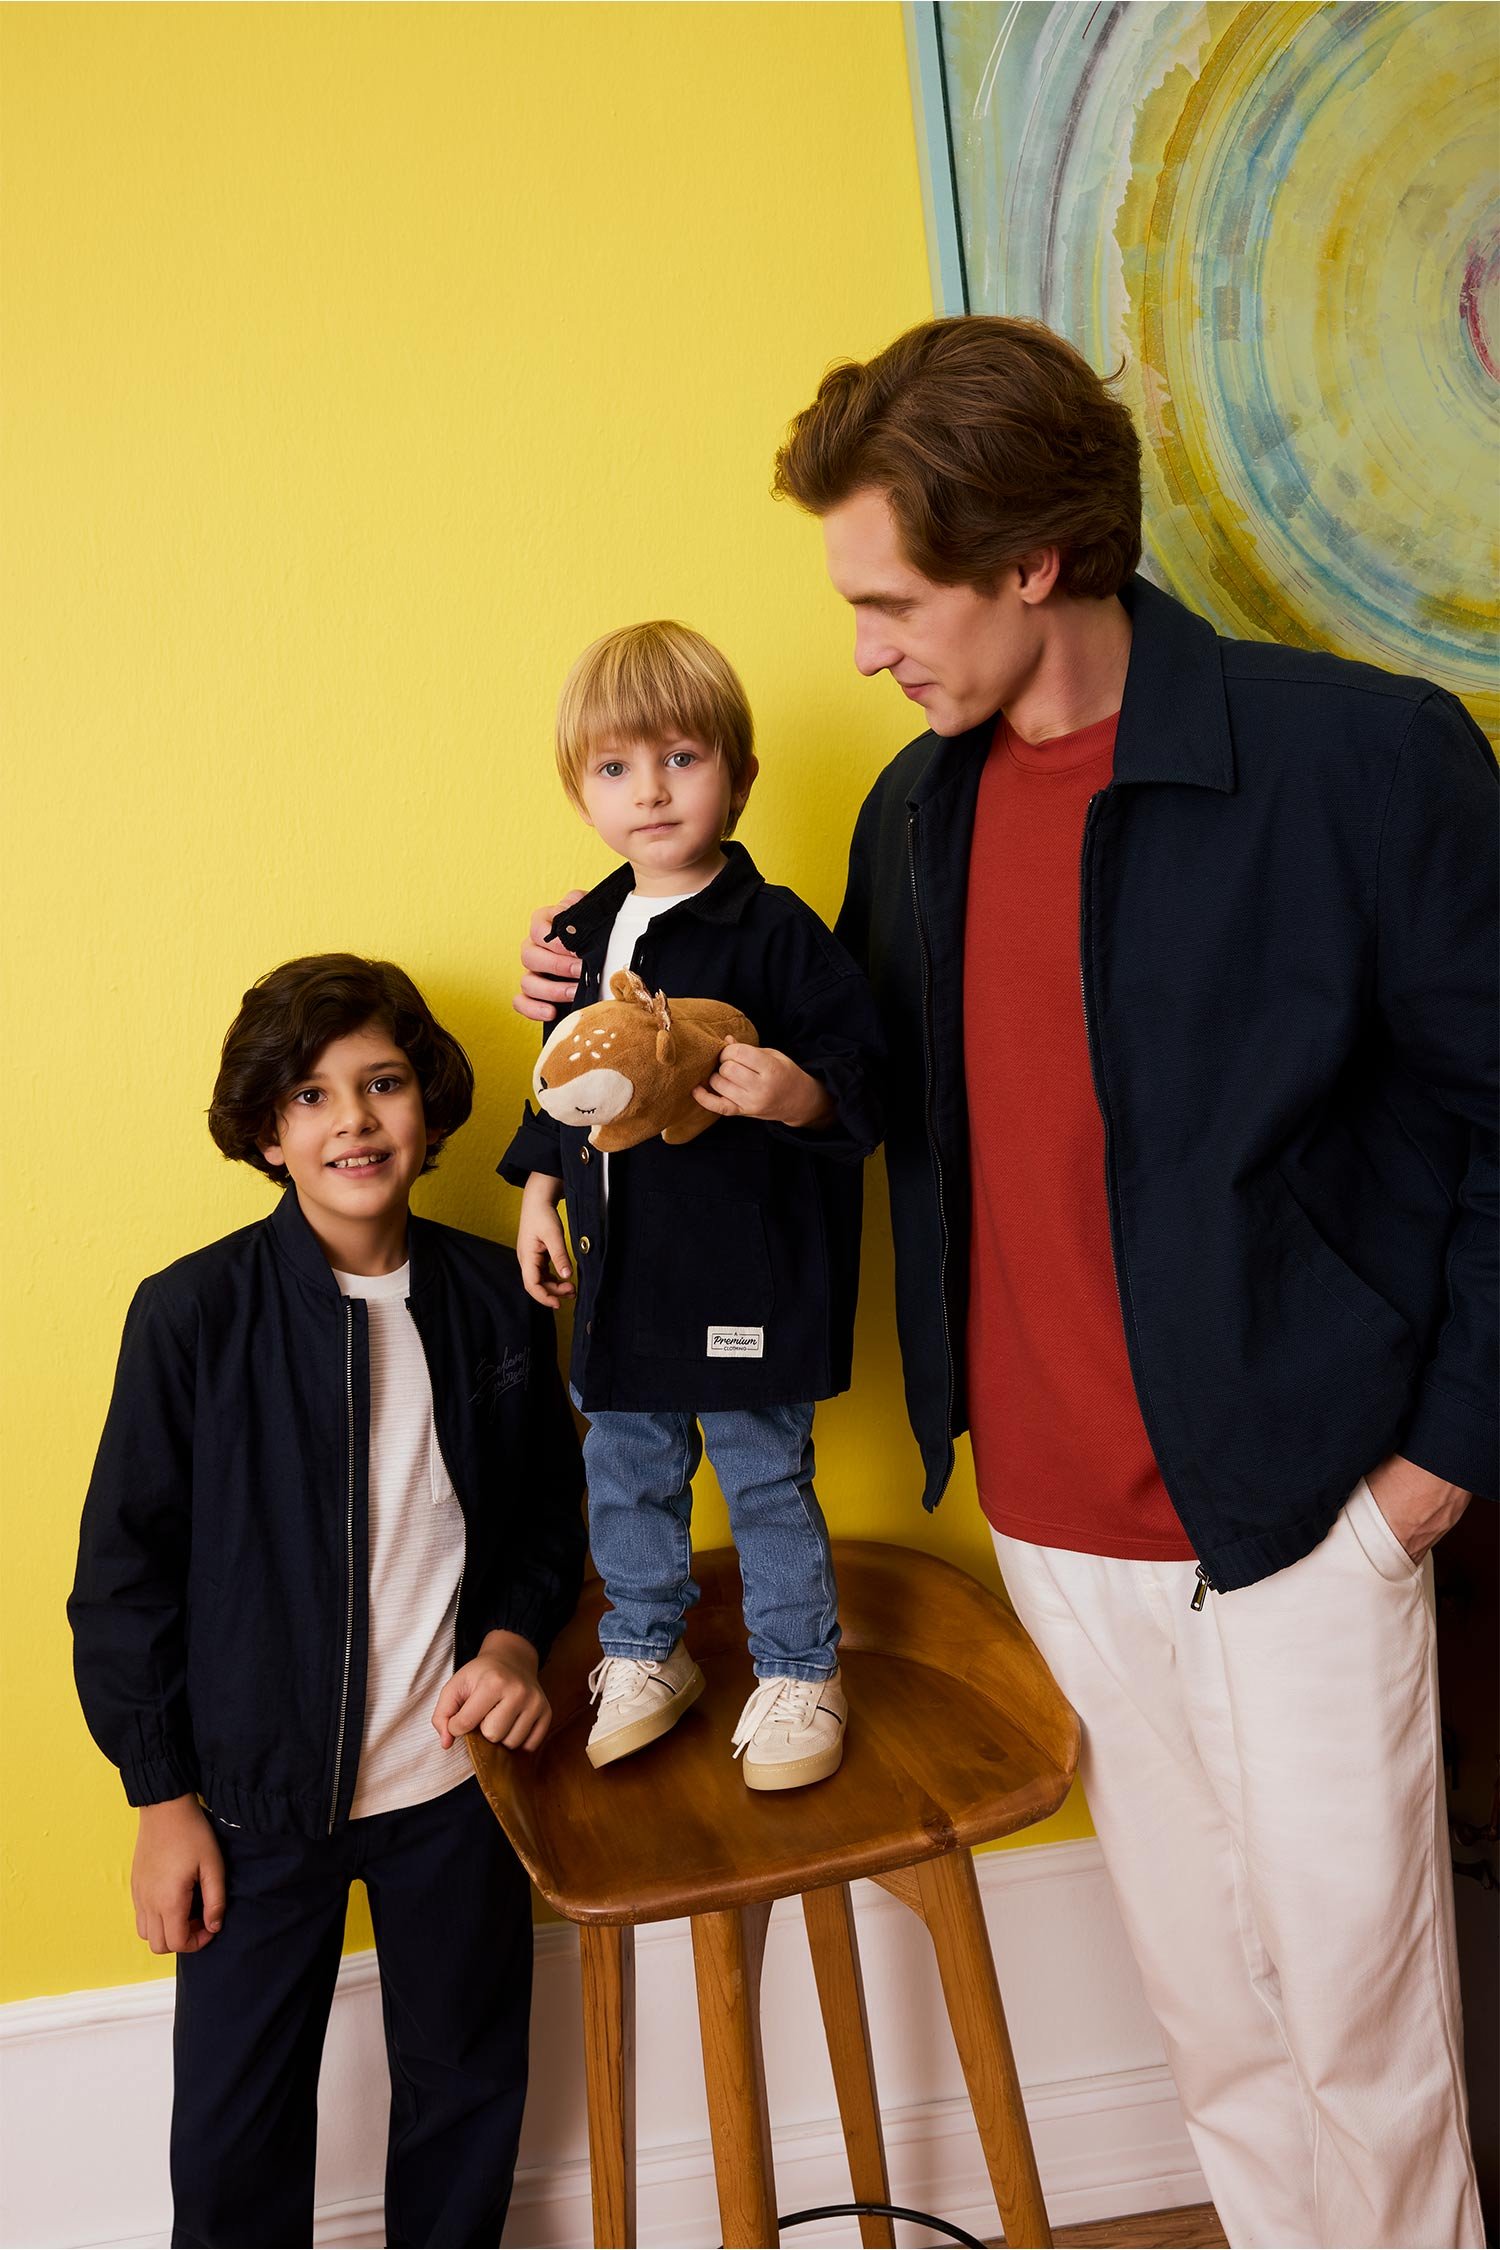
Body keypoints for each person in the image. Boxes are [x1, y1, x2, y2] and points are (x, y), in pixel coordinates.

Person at [515, 320, 1495, 2248]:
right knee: (1216, 2031)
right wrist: (600, 1026)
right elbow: (837, 1096)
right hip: (1051, 1526)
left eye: (889, 602)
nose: (862, 650)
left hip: (1305, 1514)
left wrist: (1438, 1460)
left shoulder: (1363, 760)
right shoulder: (914, 813)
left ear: (1032, 562)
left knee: (1365, 2044)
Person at [70, 953, 586, 2249]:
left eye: (382, 1082)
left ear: (428, 1103)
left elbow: (547, 1517)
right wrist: (162, 1800)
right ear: (267, 1133)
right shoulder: (191, 1316)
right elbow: (123, 1580)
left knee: (466, 2095)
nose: (352, 1119)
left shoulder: (497, 1299)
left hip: (455, 1792)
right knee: (233, 2139)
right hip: (252, 1809)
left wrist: (515, 1643)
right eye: (310, 1095)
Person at [501, 620, 883, 1788]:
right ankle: (644, 1648)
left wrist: (798, 1092)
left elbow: (865, 1073)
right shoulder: (580, 930)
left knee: (762, 1472)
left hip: (739, 1272)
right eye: (616, 768)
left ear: (741, 775)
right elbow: (568, 1080)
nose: (652, 792)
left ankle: (802, 1669)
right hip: (622, 1270)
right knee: (625, 1464)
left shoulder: (777, 932)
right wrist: (537, 1192)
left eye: (681, 759)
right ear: (580, 790)